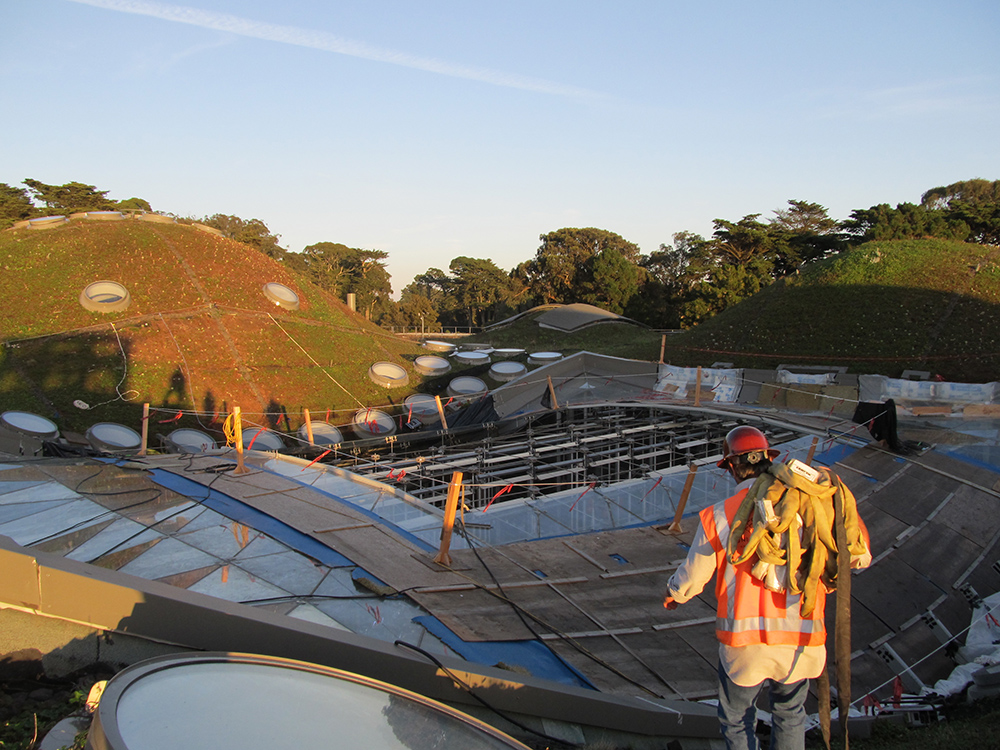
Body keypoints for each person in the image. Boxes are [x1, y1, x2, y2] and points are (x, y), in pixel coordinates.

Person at [663, 425, 870, 750]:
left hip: (744, 647)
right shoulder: (811, 505)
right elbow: (859, 556)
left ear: (731, 465)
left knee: (736, 717)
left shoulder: (720, 515)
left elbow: (691, 578)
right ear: (769, 459)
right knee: (790, 713)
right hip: (801, 638)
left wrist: (675, 594)